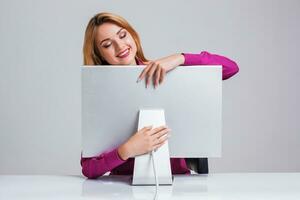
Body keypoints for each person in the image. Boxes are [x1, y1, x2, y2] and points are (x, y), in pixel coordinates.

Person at [81, 12, 239, 179]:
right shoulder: (100, 92)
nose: (120, 47)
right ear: (99, 54)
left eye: (122, 35)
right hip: (123, 185)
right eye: (107, 45)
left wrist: (180, 59)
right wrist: (126, 150)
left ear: (132, 35)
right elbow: (89, 168)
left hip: (177, 182)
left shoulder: (165, 71)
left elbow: (231, 68)